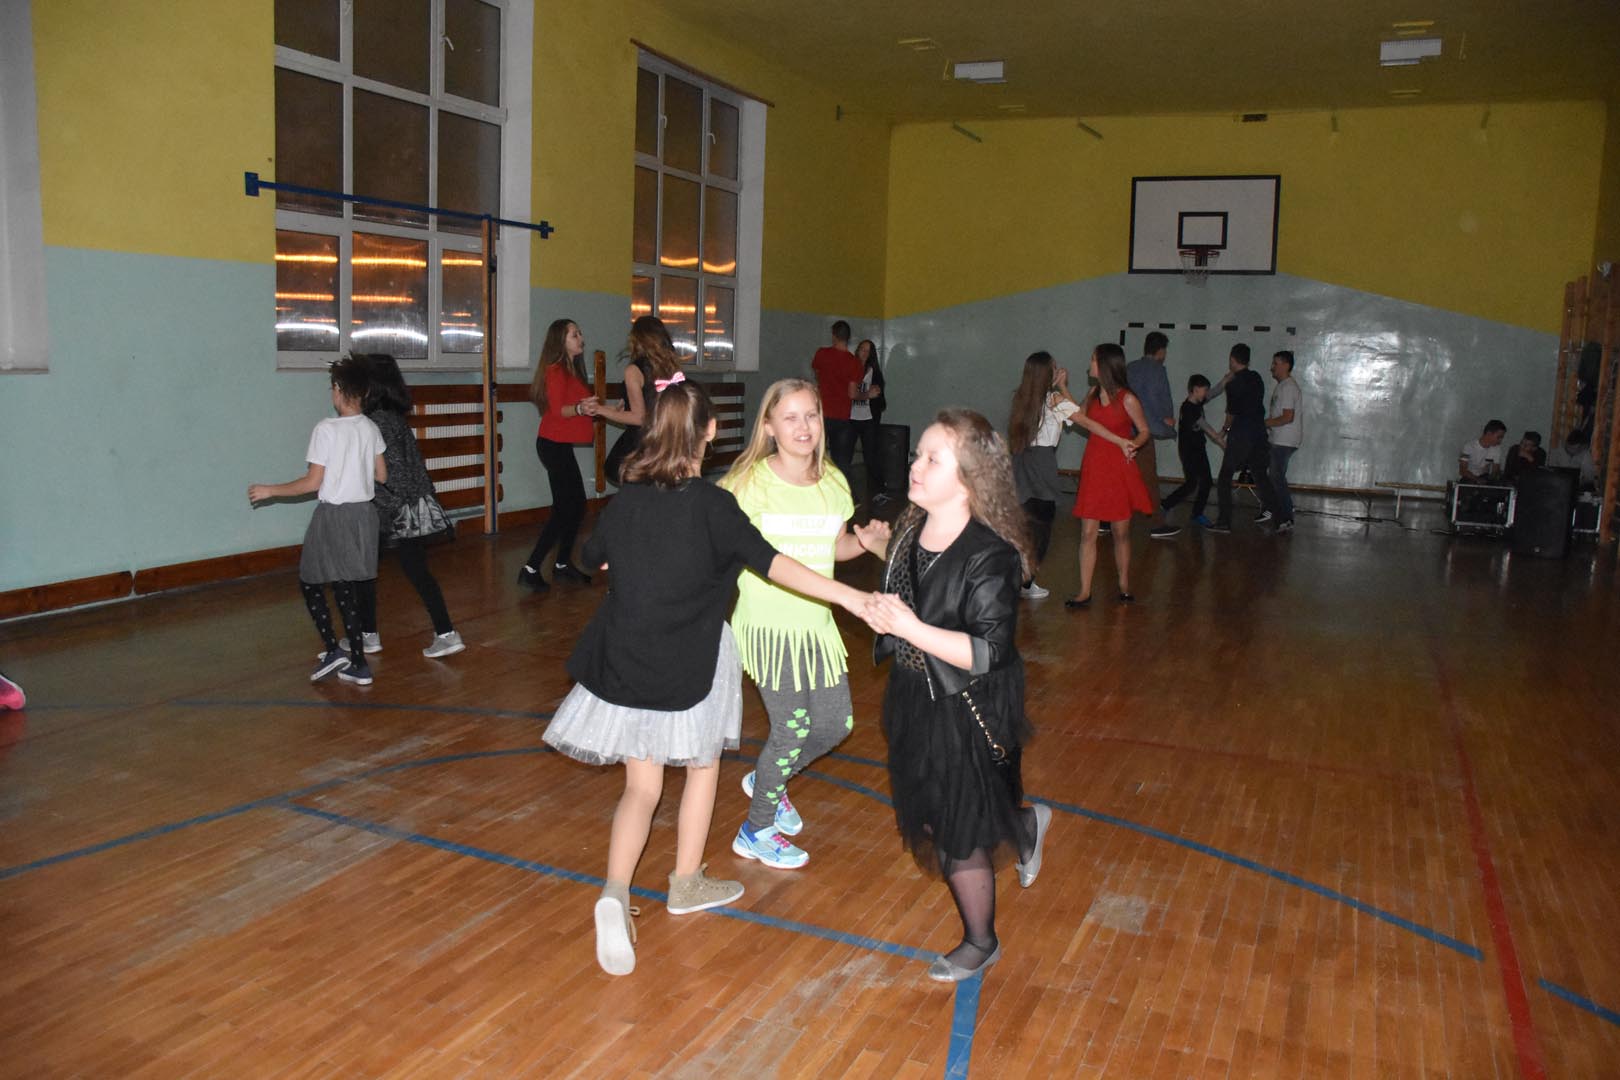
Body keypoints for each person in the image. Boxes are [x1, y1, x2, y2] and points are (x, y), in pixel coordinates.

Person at [542, 378, 873, 977]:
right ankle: (686, 881)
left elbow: (589, 559)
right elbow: (775, 564)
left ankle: (614, 892)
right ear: (712, 433)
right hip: (692, 660)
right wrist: (849, 597)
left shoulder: (627, 500)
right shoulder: (717, 507)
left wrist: (615, 555)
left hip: (627, 659)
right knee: (701, 768)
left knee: (641, 789)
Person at [859, 409, 1053, 983]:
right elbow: (925, 587)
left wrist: (908, 627)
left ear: (968, 479)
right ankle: (1023, 827)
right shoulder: (911, 527)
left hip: (967, 702)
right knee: (932, 812)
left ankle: (980, 941)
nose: (914, 466)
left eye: (932, 459)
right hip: (914, 693)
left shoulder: (990, 554)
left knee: (956, 827)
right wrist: (882, 552)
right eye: (917, 454)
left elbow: (988, 651)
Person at [720, 379, 888, 870]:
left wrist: (865, 543)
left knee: (837, 725)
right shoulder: (745, 484)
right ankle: (756, 830)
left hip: (817, 625)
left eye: (811, 415)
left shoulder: (833, 481)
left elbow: (832, 547)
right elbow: (712, 544)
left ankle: (767, 779)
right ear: (769, 427)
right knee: (791, 729)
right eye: (790, 417)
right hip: (767, 629)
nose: (803, 426)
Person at [249, 356, 386, 685]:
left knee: (311, 581)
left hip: (335, 516)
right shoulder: (370, 427)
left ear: (338, 389)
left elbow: (312, 483)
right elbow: (381, 475)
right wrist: (353, 470)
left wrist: (271, 491)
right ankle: (356, 661)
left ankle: (342, 654)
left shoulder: (326, 429)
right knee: (345, 585)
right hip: (364, 516)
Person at [356, 355, 464, 659]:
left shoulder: (378, 422)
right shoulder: (392, 418)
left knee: (366, 571)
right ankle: (445, 632)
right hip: (407, 506)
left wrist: (383, 507)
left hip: (394, 509)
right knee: (414, 570)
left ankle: (369, 635)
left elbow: (394, 476)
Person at [1067, 344, 1152, 607]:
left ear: (1105, 365)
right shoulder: (1093, 393)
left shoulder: (1127, 398)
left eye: (1093, 360)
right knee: (1088, 532)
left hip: (1118, 467)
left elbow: (1144, 430)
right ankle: (1084, 591)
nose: (1089, 365)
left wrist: (1134, 445)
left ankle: (1124, 584)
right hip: (1094, 465)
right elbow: (1078, 417)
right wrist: (1062, 388)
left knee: (1120, 531)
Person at [519, 318, 600, 591]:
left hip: (559, 445)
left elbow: (578, 406)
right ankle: (531, 569)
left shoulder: (571, 371)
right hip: (551, 445)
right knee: (565, 508)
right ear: (561, 341)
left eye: (580, 333)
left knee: (575, 506)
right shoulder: (555, 371)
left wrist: (603, 409)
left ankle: (562, 565)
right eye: (574, 334)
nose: (581, 338)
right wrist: (580, 409)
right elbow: (558, 410)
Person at [593, 316, 681, 486]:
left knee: (629, 483)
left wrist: (600, 410)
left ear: (636, 340)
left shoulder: (634, 370)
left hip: (642, 442)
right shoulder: (669, 369)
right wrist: (622, 406)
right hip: (664, 438)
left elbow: (638, 417)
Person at [1208, 344, 1281, 534]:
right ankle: (1281, 519)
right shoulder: (1256, 378)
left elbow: (1231, 414)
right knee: (1261, 476)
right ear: (1248, 360)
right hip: (1259, 433)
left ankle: (1224, 522)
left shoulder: (1233, 383)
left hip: (1241, 434)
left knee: (1225, 477)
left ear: (1232, 360)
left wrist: (1224, 431)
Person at [1124, 333, 1183, 539]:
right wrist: (1166, 423)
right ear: (1161, 351)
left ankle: (1106, 519)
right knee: (1149, 478)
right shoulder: (1157, 371)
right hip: (1143, 433)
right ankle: (1156, 523)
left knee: (1121, 476)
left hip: (1123, 431)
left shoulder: (1130, 368)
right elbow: (1160, 399)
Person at [1161, 374, 1224, 527]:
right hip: (1188, 450)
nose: (1206, 393)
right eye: (1204, 390)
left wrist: (1226, 380)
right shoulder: (1189, 408)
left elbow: (1214, 392)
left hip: (1199, 448)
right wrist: (1224, 444)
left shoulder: (1198, 401)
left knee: (1206, 482)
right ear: (1195, 390)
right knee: (1191, 484)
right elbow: (1208, 429)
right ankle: (1165, 505)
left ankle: (1197, 514)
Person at [811, 320, 864, 480]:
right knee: (841, 464)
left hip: (822, 414)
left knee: (814, 458)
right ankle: (842, 492)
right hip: (842, 417)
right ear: (848, 338)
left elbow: (817, 375)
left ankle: (812, 488)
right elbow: (852, 394)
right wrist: (868, 394)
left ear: (833, 335)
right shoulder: (854, 362)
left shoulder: (821, 354)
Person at [1264, 350, 1303, 533]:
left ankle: (1286, 517)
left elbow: (1288, 417)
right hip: (1279, 439)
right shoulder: (1282, 386)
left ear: (1286, 365)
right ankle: (1278, 512)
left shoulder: (1288, 388)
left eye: (1275, 363)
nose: (1272, 367)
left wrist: (1264, 423)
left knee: (1276, 477)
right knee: (1275, 476)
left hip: (1284, 440)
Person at [849, 338, 888, 502]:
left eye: (868, 350)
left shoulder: (875, 373)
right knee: (845, 456)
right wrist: (866, 394)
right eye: (862, 349)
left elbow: (880, 400)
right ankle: (848, 493)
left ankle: (879, 490)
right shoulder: (850, 369)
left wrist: (875, 395)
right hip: (850, 418)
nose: (864, 353)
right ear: (857, 351)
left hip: (868, 418)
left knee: (871, 456)